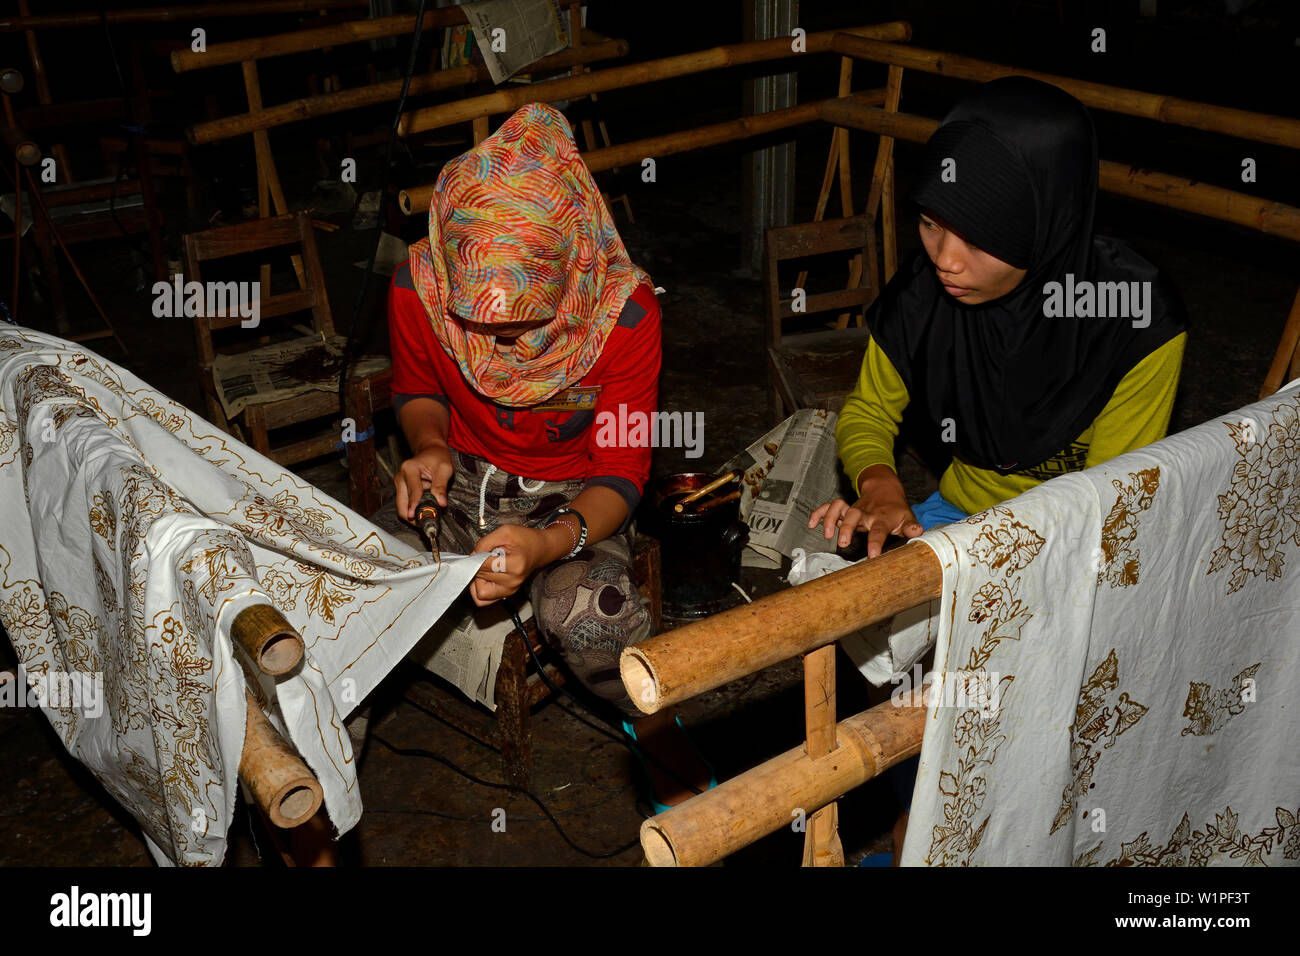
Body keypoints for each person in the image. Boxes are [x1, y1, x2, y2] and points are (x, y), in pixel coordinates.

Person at [809, 77, 1188, 862]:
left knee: (1021, 697)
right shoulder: (923, 295)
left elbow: (1105, 504)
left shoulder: (1133, 323)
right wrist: (879, 489)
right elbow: (870, 414)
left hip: (1080, 537)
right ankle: (919, 821)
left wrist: (977, 571)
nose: (944, 258)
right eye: (929, 222)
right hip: (958, 511)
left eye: (976, 237)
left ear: (1045, 222)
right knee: (877, 643)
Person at [384, 103, 711, 811]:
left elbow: (621, 475)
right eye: (478, 323)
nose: (501, 350)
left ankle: (660, 735)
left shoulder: (623, 316)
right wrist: (430, 448)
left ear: (572, 266)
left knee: (587, 609)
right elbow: (415, 389)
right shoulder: (419, 286)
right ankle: (318, 781)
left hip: (573, 498)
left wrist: (544, 544)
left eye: (526, 321)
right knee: (341, 583)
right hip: (462, 479)